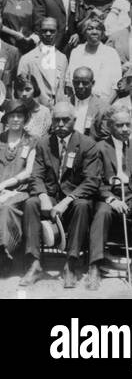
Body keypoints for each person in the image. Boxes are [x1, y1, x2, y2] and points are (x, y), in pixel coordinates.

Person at [18, 102, 101, 288]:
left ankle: (71, 263)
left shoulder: (88, 145)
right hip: (51, 198)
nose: (61, 124)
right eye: (57, 120)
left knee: (83, 205)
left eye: (66, 120)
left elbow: (91, 181)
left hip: (73, 201)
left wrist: (67, 200)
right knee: (31, 203)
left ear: (75, 121)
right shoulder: (43, 143)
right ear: (52, 121)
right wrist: (42, 196)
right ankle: (34, 263)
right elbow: (36, 175)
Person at [88, 107, 132, 289]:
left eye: (128, 124)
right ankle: (94, 265)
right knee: (102, 212)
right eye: (120, 125)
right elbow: (95, 181)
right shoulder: (99, 148)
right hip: (108, 197)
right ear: (110, 127)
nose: (125, 129)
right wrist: (111, 199)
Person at [0, 103, 36, 261]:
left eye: (19, 116)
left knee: (7, 207)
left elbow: (28, 172)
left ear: (25, 119)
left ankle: (6, 251)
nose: (15, 119)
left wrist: (5, 185)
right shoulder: (0, 139)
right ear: (6, 118)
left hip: (20, 191)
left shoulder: (31, 141)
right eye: (12, 115)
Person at [65, 19, 122, 102]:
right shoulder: (76, 52)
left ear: (102, 33)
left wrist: (105, 106)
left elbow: (116, 85)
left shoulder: (111, 53)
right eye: (90, 29)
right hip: (79, 102)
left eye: (98, 29)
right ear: (84, 32)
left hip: (103, 101)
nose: (94, 32)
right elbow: (69, 82)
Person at [10, 74, 51, 138]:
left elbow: (45, 140)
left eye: (28, 89)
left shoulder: (45, 112)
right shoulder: (11, 111)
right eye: (20, 90)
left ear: (35, 89)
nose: (24, 94)